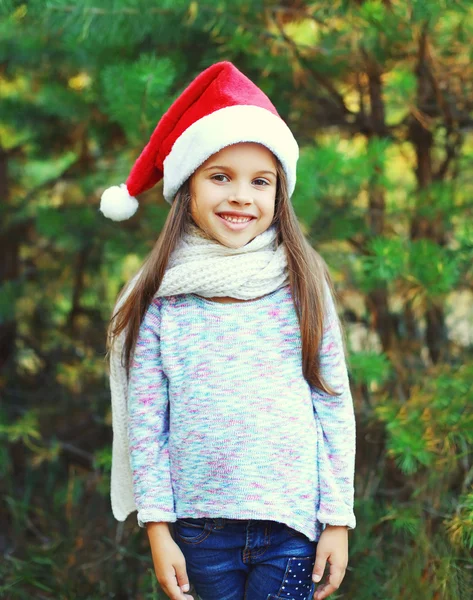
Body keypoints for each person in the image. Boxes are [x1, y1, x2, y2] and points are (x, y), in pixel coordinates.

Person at [101, 61, 356, 600]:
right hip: (198, 530)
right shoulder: (161, 298)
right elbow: (149, 424)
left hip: (292, 526)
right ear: (187, 188)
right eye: (221, 176)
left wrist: (337, 518)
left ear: (278, 196)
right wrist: (158, 528)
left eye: (260, 181)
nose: (241, 195)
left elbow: (331, 405)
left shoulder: (301, 284)